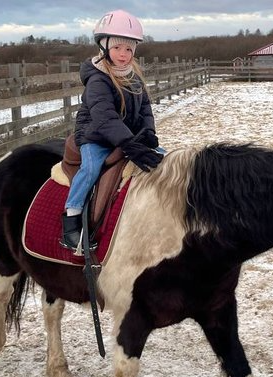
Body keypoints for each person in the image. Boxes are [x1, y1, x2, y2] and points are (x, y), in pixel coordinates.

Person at [61, 9, 163, 250]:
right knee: (91, 168)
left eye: (129, 49)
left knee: (163, 158)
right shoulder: (98, 79)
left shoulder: (134, 76)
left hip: (126, 136)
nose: (124, 54)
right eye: (118, 48)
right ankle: (71, 220)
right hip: (95, 136)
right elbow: (104, 117)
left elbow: (145, 107)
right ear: (105, 47)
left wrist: (148, 133)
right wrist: (128, 143)